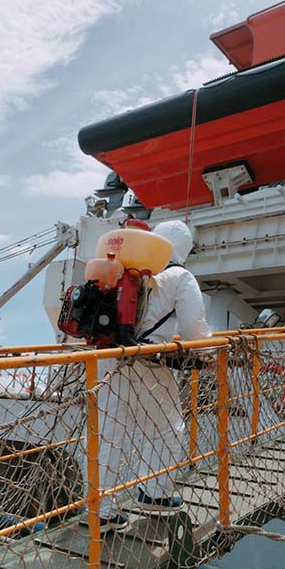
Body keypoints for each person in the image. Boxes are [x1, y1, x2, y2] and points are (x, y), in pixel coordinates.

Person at [92, 219, 212, 531]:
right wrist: (209, 352)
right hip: (149, 363)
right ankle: (155, 493)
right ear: (184, 249)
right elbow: (194, 329)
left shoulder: (126, 271)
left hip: (108, 360)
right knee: (169, 427)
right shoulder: (180, 277)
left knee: (109, 434)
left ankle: (101, 512)